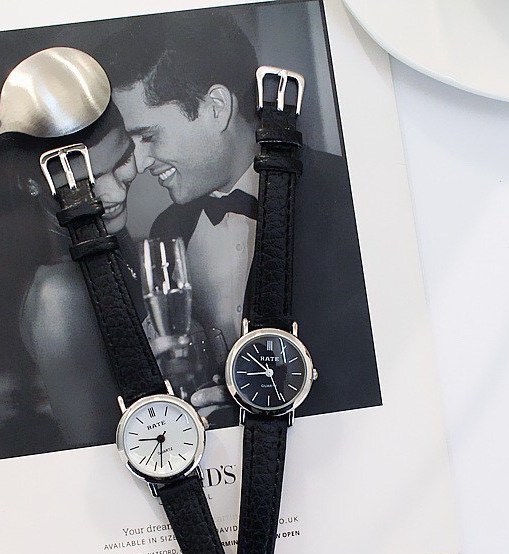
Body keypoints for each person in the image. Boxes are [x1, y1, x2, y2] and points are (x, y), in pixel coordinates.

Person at [106, 12, 381, 420]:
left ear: (216, 108)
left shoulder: (349, 196)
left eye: (148, 136)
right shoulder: (168, 230)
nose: (141, 162)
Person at [20, 102, 140, 449]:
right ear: (32, 184)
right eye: (87, 181)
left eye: (122, 161)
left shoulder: (116, 246)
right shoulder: (60, 294)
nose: (116, 192)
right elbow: (96, 449)